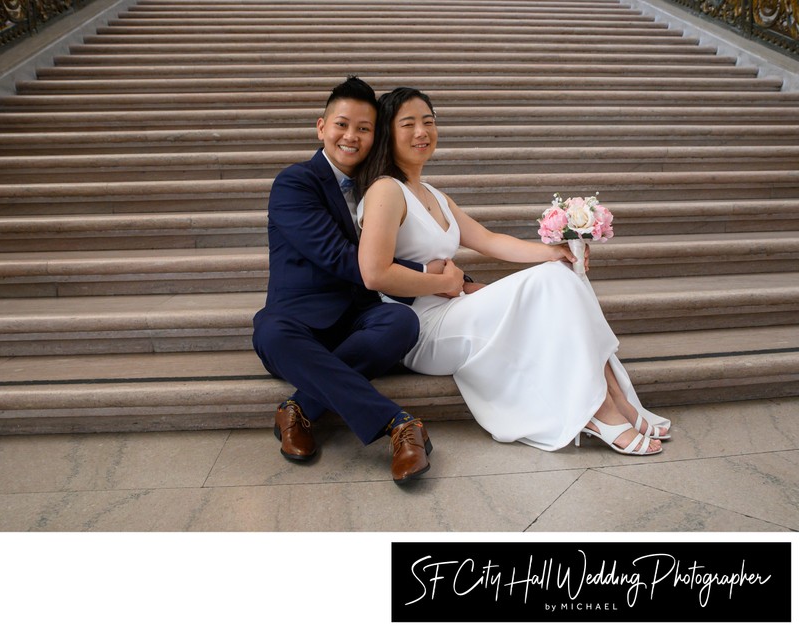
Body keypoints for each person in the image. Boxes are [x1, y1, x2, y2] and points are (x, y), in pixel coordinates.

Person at [355, 86, 672, 456]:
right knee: (552, 281)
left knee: (560, 274)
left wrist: (554, 253)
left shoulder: (432, 193)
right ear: (386, 134)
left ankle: (615, 397)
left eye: (428, 122)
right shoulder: (385, 191)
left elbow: (488, 240)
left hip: (456, 311)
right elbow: (374, 274)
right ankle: (599, 409)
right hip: (422, 329)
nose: (421, 132)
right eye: (407, 124)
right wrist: (442, 281)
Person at [252, 77, 464, 484]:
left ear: (375, 136)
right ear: (321, 127)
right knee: (272, 333)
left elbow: (413, 242)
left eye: (364, 129)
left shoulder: (380, 184)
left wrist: (457, 278)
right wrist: (425, 276)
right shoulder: (295, 183)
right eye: (342, 125)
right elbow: (337, 254)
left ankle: (298, 409)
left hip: (359, 318)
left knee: (402, 322)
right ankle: (397, 424)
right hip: (299, 323)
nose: (352, 137)